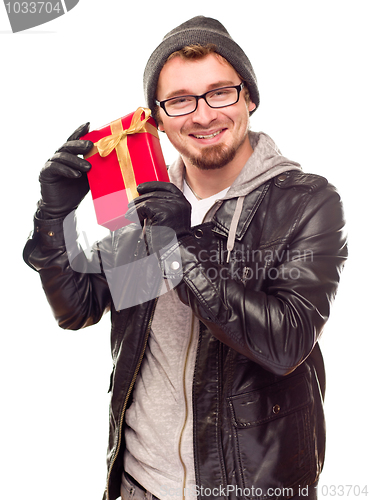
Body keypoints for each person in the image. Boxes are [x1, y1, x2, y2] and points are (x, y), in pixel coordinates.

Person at [23, 15, 347, 500]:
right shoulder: (144, 200)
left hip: (248, 487)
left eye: (220, 92)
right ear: (157, 116)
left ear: (249, 97)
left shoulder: (306, 201)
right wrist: (54, 215)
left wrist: (181, 247)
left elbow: (285, 342)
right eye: (180, 100)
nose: (202, 115)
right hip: (137, 483)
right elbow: (78, 309)